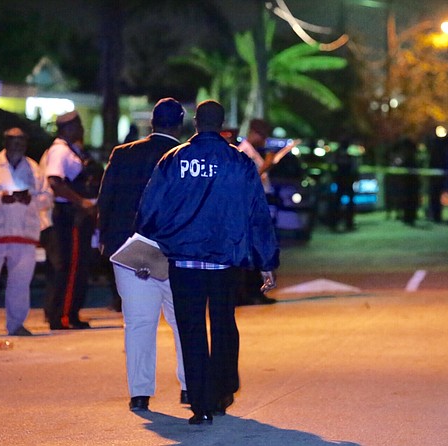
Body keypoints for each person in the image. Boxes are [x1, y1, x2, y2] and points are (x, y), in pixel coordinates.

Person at [135, 100, 280, 425]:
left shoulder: (173, 160)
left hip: (184, 263)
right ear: (222, 124)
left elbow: (148, 210)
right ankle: (222, 391)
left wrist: (151, 242)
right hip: (224, 262)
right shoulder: (239, 162)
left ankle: (200, 404)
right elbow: (257, 213)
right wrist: (266, 260)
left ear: (196, 123)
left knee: (191, 331)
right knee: (224, 324)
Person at [97, 98, 188, 412]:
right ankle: (189, 388)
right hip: (173, 250)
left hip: (130, 250)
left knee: (138, 323)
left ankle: (140, 394)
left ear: (152, 122)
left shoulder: (123, 154)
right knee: (182, 321)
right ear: (180, 124)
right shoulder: (183, 157)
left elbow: (105, 200)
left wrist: (105, 241)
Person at [42, 111, 100, 330]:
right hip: (70, 216)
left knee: (77, 265)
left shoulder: (72, 150)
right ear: (69, 127)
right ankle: (63, 316)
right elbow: (55, 182)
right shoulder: (59, 151)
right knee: (71, 266)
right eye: (78, 125)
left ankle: (69, 314)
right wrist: (82, 202)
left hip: (76, 216)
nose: (81, 129)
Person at [0, 128, 51, 336]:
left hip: (25, 235)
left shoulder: (34, 168)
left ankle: (16, 324)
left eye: (21, 141)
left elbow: (47, 197)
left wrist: (31, 200)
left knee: (20, 283)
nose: (18, 145)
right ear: (5, 142)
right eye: (13, 141)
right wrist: (0, 198)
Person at [236, 118, 277, 306]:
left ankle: (256, 292)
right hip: (250, 209)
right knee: (253, 252)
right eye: (261, 135)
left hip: (258, 206)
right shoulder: (243, 152)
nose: (263, 140)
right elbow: (248, 179)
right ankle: (249, 293)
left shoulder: (252, 151)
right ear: (253, 133)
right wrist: (266, 165)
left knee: (258, 251)